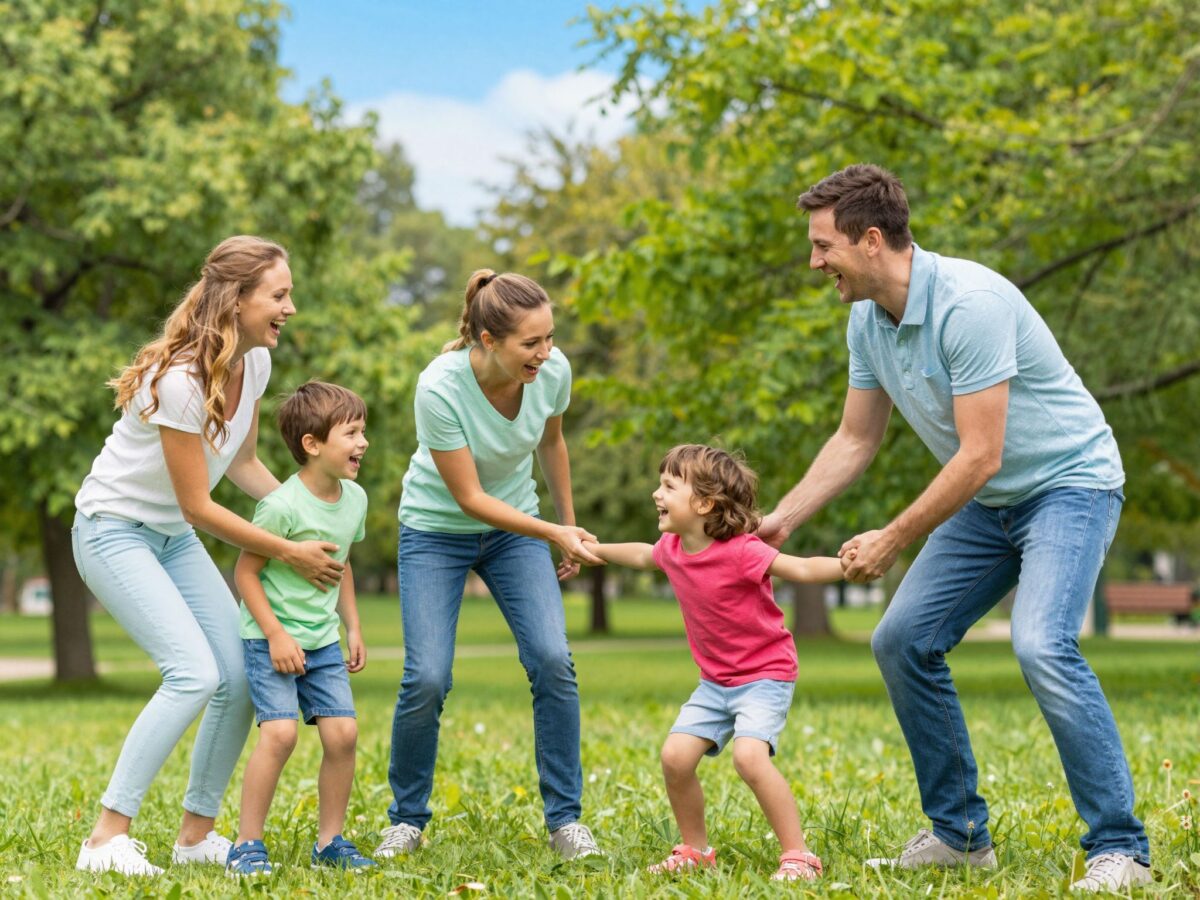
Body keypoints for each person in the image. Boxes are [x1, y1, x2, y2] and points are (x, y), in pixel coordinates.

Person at [758, 164, 1150, 892]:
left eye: (822, 247)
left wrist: (892, 537)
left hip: (1070, 484)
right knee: (902, 639)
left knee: (1041, 644)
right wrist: (781, 517)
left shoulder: (969, 303)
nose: (814, 263)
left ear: (870, 241)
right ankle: (960, 836)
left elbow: (979, 454)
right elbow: (854, 439)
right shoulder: (867, 321)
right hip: (992, 498)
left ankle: (1121, 847)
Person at [72, 236, 344, 876]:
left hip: (170, 536)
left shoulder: (255, 366)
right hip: (113, 531)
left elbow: (244, 465)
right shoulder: (180, 382)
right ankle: (106, 840)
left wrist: (313, 514)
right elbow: (199, 504)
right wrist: (287, 549)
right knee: (193, 673)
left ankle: (196, 835)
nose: (290, 308)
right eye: (279, 296)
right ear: (238, 298)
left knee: (242, 675)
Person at [376, 269, 604, 862]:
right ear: (486, 339)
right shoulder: (440, 388)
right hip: (435, 531)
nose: (546, 353)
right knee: (427, 677)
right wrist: (552, 529)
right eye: (531, 343)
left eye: (550, 337)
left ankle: (566, 820)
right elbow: (470, 499)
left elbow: (552, 444)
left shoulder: (553, 373)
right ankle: (406, 820)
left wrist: (566, 525)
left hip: (518, 533)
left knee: (553, 660)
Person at [582, 444, 845, 882]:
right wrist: (595, 547)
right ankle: (695, 850)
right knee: (675, 758)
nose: (656, 494)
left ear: (704, 504)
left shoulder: (743, 552)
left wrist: (847, 566)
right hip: (716, 683)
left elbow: (800, 569)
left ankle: (799, 857)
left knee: (749, 758)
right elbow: (643, 555)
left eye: (668, 486)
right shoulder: (673, 549)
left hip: (764, 675)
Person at [226, 381, 374, 875]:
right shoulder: (281, 507)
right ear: (312, 445)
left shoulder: (354, 500)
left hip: (322, 641)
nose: (362, 443)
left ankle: (330, 841)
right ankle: (247, 844)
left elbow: (343, 564)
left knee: (343, 734)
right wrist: (275, 635)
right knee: (281, 735)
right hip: (270, 638)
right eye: (351, 433)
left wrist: (351, 626)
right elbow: (245, 573)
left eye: (363, 431)